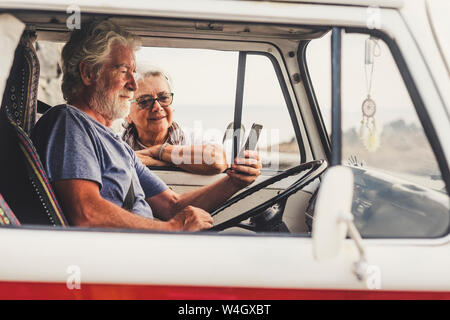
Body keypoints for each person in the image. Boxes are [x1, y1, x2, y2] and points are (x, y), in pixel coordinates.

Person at [31, 19, 261, 232]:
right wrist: (172, 229)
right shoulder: (70, 123)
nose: (132, 85)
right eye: (123, 71)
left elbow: (173, 205)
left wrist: (234, 182)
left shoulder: (115, 145)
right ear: (89, 73)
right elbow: (86, 213)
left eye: (133, 72)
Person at [122, 69, 228, 175]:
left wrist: (159, 151)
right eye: (145, 101)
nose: (157, 107)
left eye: (163, 98)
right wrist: (166, 163)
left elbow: (218, 160)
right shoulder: (115, 145)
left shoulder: (193, 139)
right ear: (126, 113)